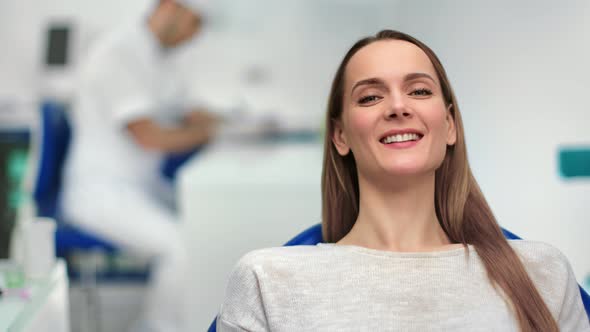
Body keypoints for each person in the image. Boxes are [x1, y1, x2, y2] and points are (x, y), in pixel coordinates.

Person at [216, 30, 590, 331]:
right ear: (340, 136)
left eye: (419, 91)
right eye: (370, 97)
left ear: (449, 125)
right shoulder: (267, 281)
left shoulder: (543, 274)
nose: (398, 106)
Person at [61, 1, 216, 331]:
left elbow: (191, 112)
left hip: (140, 187)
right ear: (171, 8)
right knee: (182, 246)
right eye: (196, 21)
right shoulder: (116, 53)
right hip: (101, 192)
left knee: (208, 229)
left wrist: (222, 122)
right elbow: (148, 137)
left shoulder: (160, 58)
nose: (197, 34)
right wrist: (208, 133)